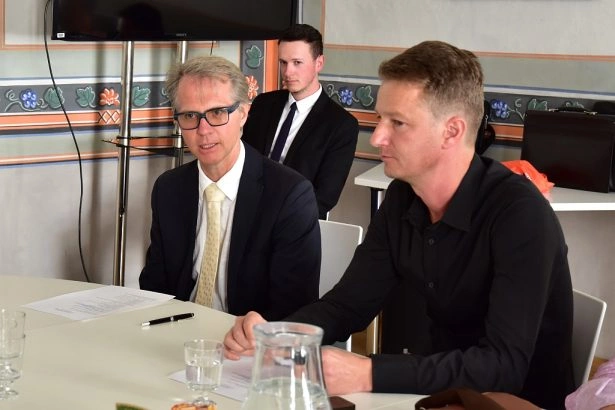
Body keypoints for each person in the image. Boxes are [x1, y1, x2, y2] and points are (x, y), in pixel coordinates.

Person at [224, 41, 575, 409]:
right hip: (435, 396)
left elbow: (503, 366)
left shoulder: (521, 215)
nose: (377, 137)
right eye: (380, 119)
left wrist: (368, 373)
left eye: (398, 123)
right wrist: (277, 334)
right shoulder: (402, 197)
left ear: (452, 131)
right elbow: (347, 305)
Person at [139, 56, 321, 321]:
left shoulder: (289, 195)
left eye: (217, 113)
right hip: (177, 332)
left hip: (248, 338)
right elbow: (155, 287)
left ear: (243, 114)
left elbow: (293, 308)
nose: (203, 130)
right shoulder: (168, 189)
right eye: (190, 116)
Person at [241, 23, 359, 219]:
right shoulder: (263, 104)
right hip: (246, 209)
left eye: (297, 62)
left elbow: (325, 198)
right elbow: (243, 161)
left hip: (294, 220)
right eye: (283, 62)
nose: (288, 72)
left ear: (319, 63)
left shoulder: (341, 125)